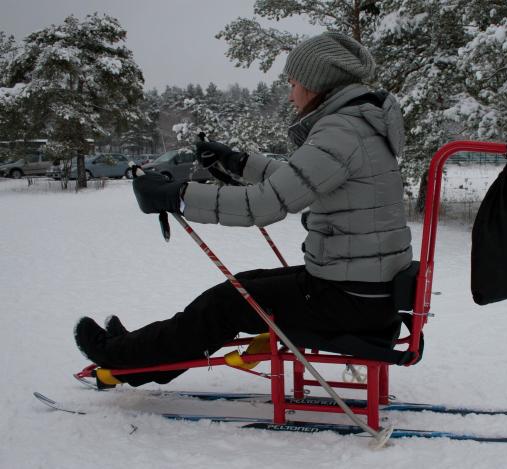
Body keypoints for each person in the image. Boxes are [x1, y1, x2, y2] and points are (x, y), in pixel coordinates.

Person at [74, 31, 412, 387]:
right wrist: (236, 161)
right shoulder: (356, 126)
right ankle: (143, 356)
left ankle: (122, 356)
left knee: (225, 303)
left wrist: (180, 195)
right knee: (242, 287)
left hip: (350, 300)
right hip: (362, 292)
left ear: (315, 85)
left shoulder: (341, 131)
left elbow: (264, 204)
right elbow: (298, 178)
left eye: (293, 83)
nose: (290, 93)